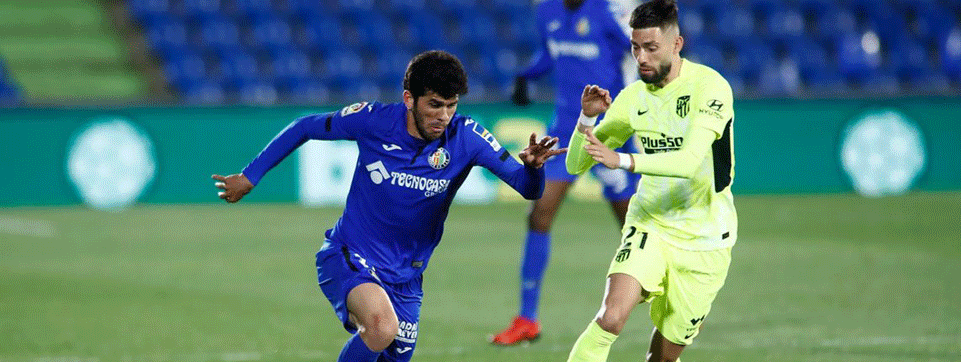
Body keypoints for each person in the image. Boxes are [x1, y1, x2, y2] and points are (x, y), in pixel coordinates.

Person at [212, 50, 565, 362]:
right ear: (409, 99)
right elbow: (305, 127)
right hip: (350, 254)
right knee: (381, 328)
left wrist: (534, 169)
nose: (444, 116)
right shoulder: (373, 120)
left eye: (451, 105)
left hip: (407, 278)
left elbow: (527, 189)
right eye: (435, 105)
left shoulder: (466, 137)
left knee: (389, 347)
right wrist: (250, 176)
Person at [564, 1, 737, 361]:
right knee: (610, 317)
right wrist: (586, 120)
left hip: (706, 239)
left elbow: (690, 162)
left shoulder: (710, 88)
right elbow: (576, 164)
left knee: (663, 357)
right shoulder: (632, 98)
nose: (641, 57)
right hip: (650, 223)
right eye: (635, 47)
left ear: (677, 45)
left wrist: (624, 161)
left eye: (651, 48)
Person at [492, 0, 643, 345]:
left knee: (633, 228)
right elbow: (550, 55)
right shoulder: (547, 12)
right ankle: (527, 319)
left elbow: (638, 58)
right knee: (539, 215)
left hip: (610, 132)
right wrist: (524, 76)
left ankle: (670, 303)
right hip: (564, 130)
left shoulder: (606, 13)